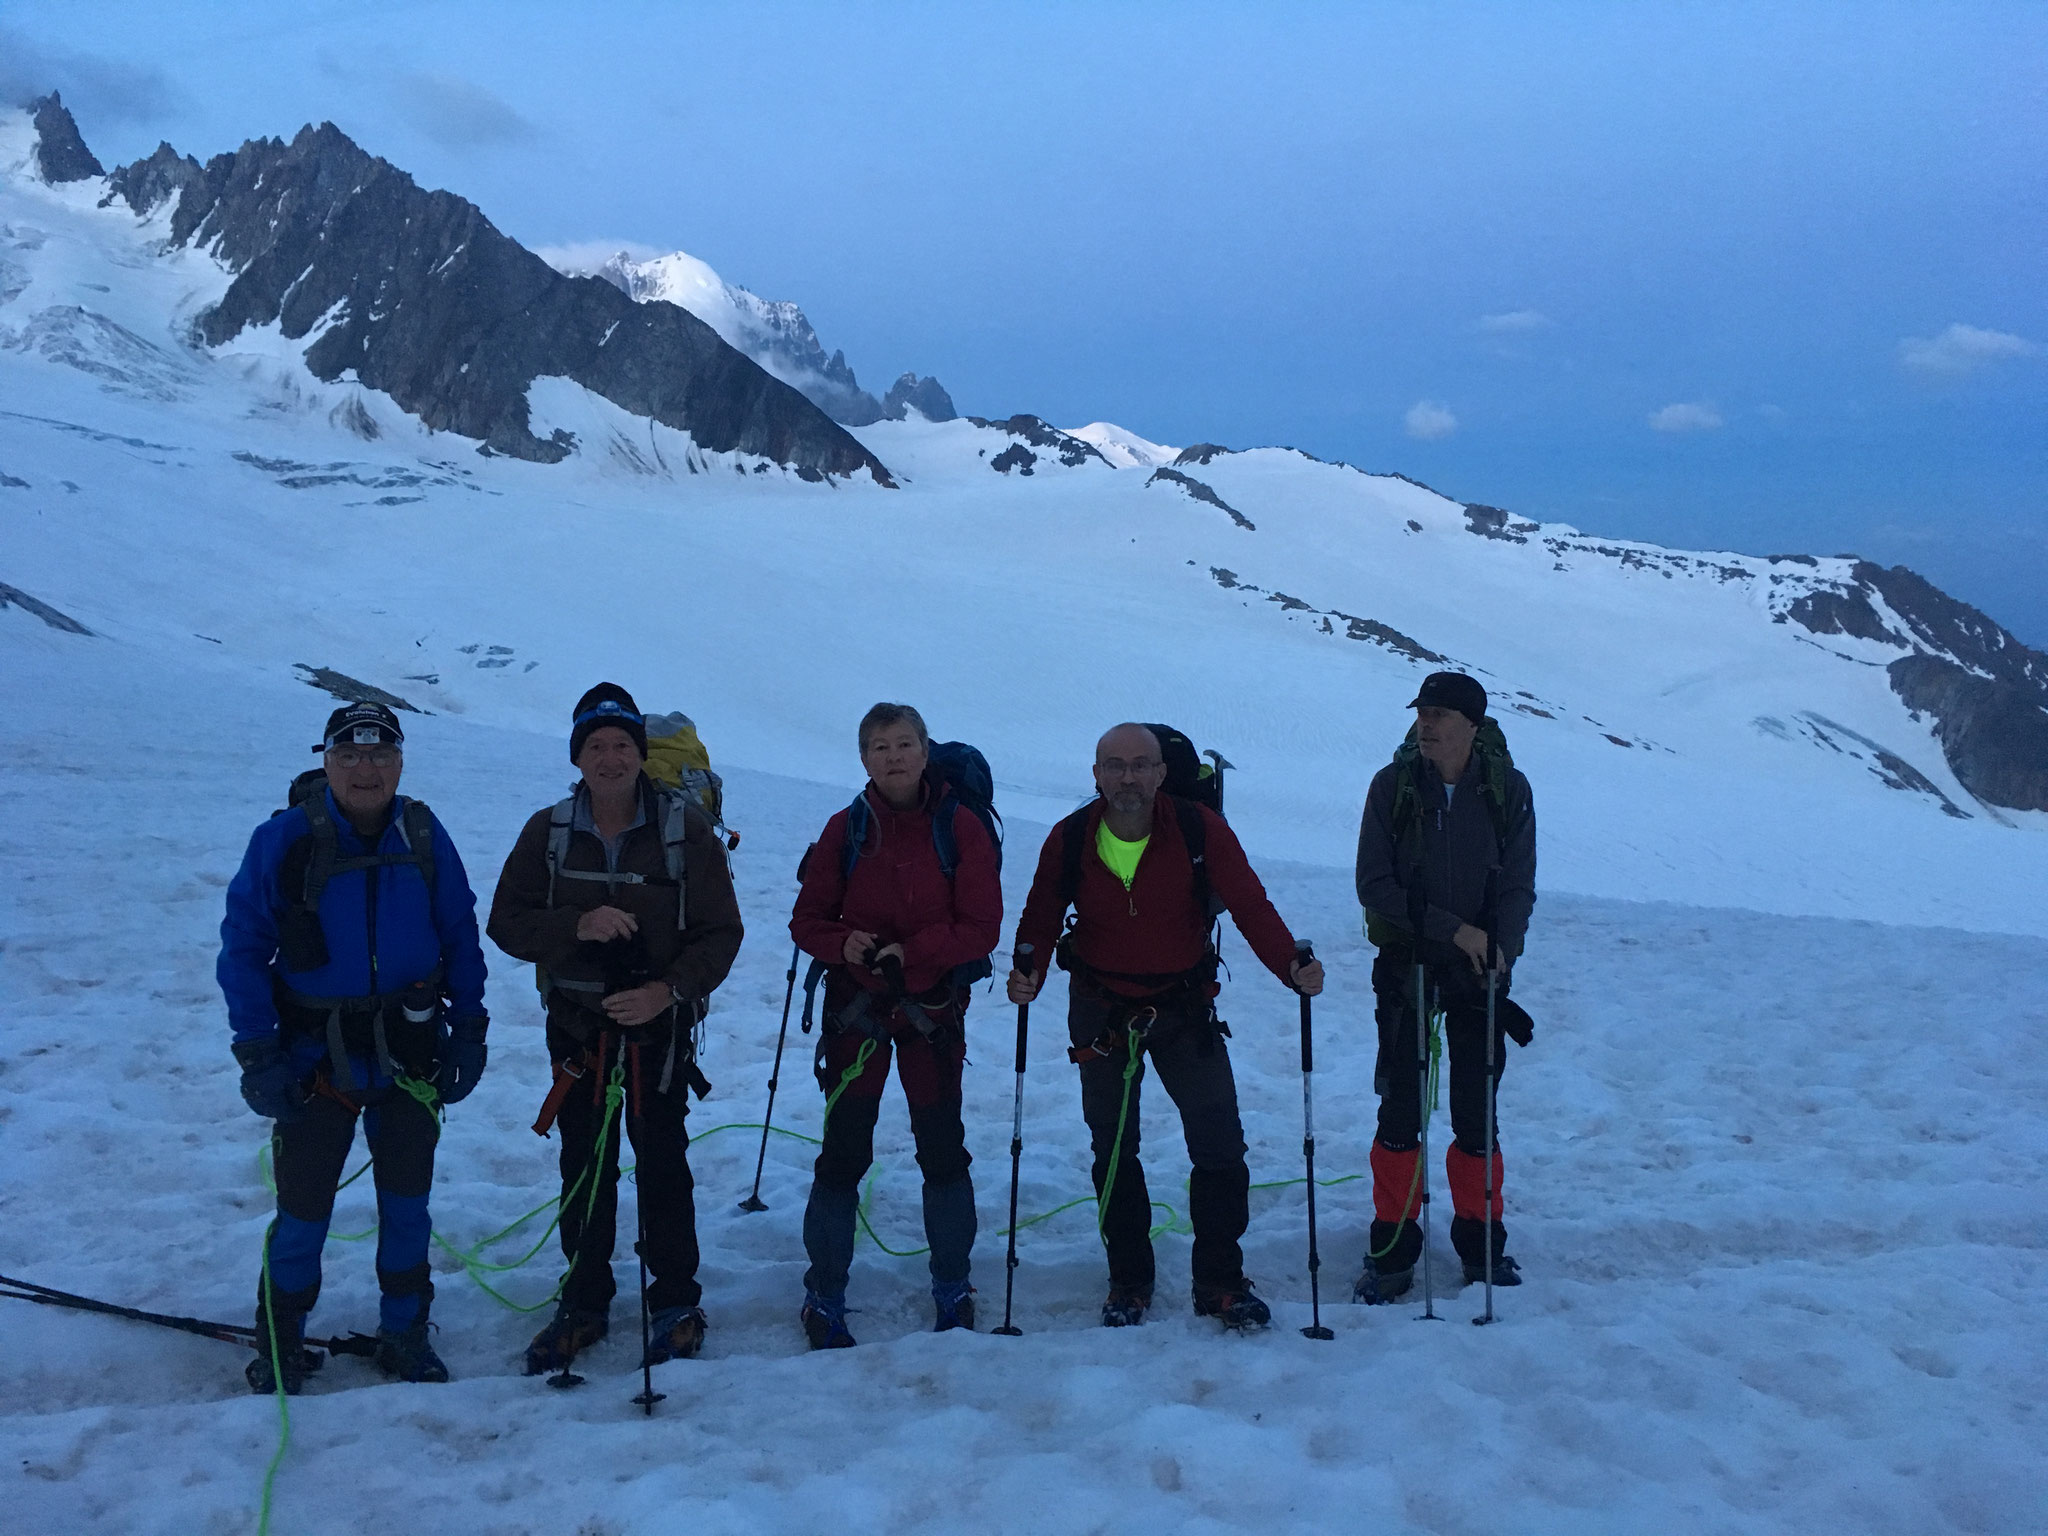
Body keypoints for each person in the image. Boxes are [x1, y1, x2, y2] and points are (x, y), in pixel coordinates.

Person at [1009, 723, 1324, 1330]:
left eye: (1140, 765)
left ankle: (1219, 1280)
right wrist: (1028, 968)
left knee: (1219, 1145)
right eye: (1114, 765)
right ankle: (1129, 1280)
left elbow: (1250, 903)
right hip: (1101, 1011)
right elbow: (1041, 913)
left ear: (1160, 773)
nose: (1127, 777)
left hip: (1183, 1009)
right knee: (1114, 1146)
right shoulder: (1070, 837)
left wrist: (1291, 965)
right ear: (1096, 774)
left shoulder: (1199, 830)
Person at [220, 701, 490, 1393]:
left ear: (399, 763)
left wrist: (469, 1026)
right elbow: (244, 947)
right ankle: (278, 1343)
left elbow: (459, 931)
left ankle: (404, 1331)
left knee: (407, 1205)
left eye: (380, 754)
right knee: (304, 1210)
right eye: (349, 754)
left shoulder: (425, 836)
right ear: (326, 761)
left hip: (410, 1054)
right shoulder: (284, 840)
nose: (365, 768)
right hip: (313, 1060)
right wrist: (257, 1050)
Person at [488, 684, 744, 1374]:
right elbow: (505, 922)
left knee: (663, 1164)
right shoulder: (548, 831)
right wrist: (577, 924)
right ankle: (586, 1298)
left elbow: (722, 932)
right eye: (596, 746)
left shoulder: (683, 831)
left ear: (639, 753)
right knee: (585, 1165)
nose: (609, 758)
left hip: (657, 1036)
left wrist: (668, 991)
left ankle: (675, 1301)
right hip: (577, 1032)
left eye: (621, 745)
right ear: (578, 756)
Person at [788, 703, 1001, 1347]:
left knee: (940, 1146)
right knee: (844, 1152)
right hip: (860, 1014)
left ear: (925, 750)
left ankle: (951, 1282)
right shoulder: (845, 828)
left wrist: (913, 953)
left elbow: (981, 929)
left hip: (928, 1014)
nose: (893, 757)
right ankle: (825, 1289)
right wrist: (844, 942)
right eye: (880, 747)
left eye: (904, 744)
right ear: (863, 758)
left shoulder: (960, 828)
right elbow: (807, 921)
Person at [1353, 671, 1536, 1302]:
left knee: (1476, 1114)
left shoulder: (1507, 790)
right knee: (1400, 1111)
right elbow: (1374, 886)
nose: (1426, 724)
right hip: (1407, 968)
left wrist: (1502, 951)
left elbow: (1517, 883)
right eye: (1423, 713)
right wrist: (1457, 931)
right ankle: (1392, 1250)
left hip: (1478, 975)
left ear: (1473, 727)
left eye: (1440, 715)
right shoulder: (1393, 786)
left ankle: (1483, 1248)